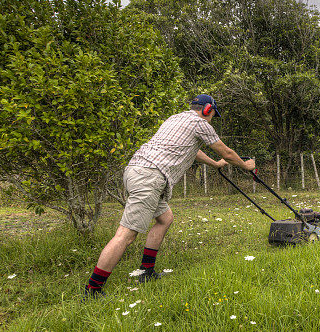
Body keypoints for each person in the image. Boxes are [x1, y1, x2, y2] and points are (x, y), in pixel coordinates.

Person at [84, 94, 255, 297]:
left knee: (165, 219)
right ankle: (93, 289)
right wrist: (245, 166)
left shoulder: (174, 119)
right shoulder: (200, 123)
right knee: (125, 236)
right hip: (150, 177)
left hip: (136, 171)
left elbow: (194, 152)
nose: (211, 120)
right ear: (207, 109)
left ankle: (146, 272)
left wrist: (216, 164)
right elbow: (227, 152)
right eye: (212, 115)